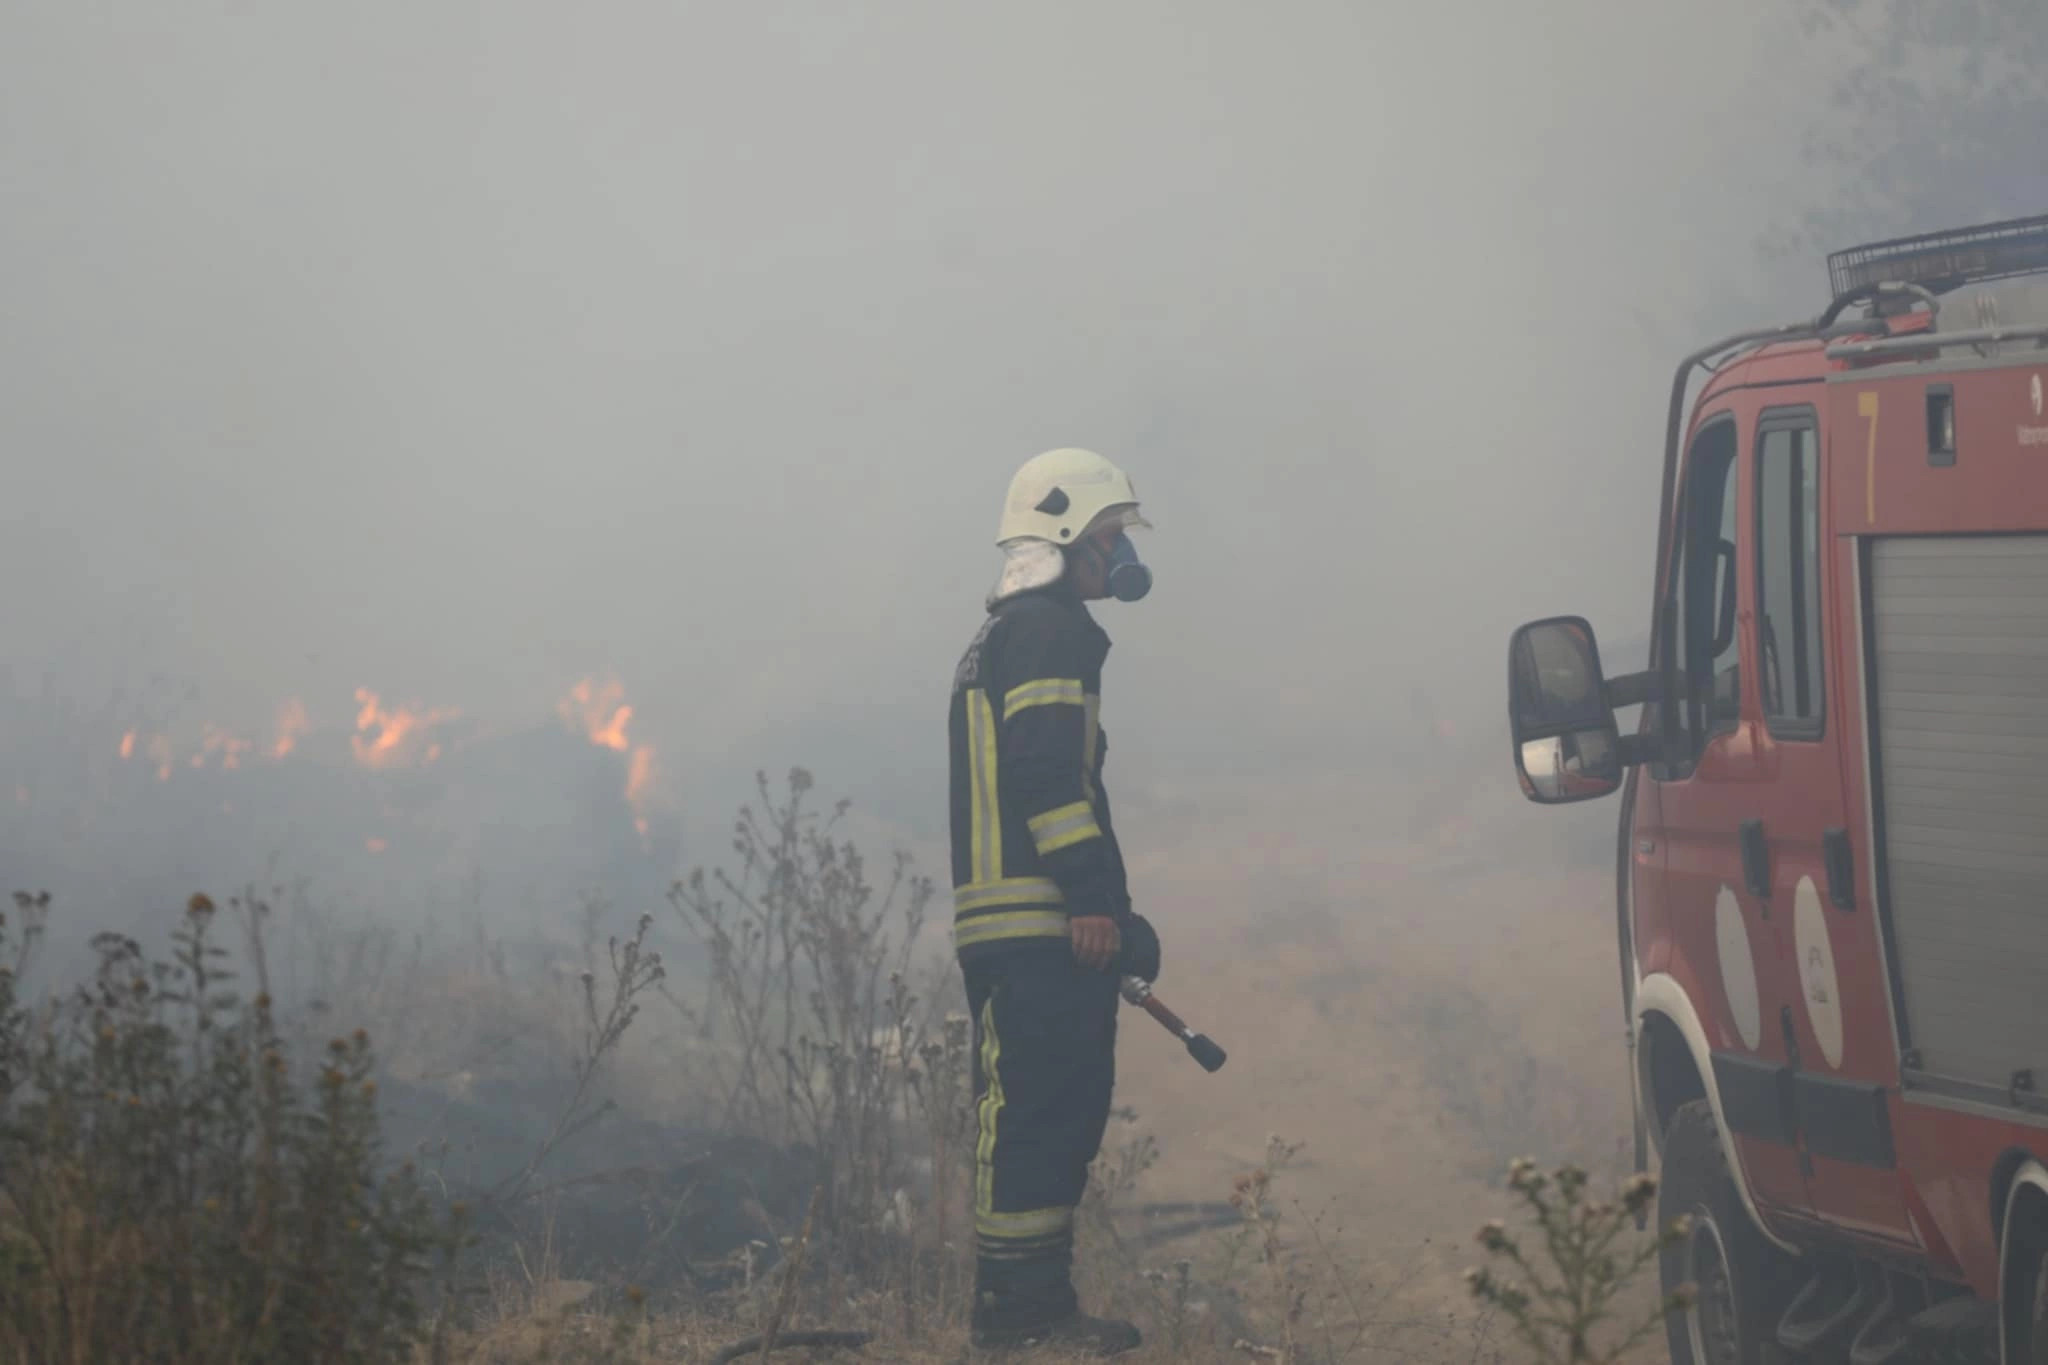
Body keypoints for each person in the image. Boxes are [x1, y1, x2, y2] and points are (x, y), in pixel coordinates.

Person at [946, 447, 1163, 1357]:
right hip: (1036, 926)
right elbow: (1045, 775)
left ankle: (1042, 1311)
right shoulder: (1045, 631)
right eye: (1110, 537)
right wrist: (1088, 899)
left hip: (1039, 925)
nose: (1120, 556)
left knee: (1061, 1109)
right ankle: (1015, 1322)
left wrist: (1119, 908)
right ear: (1066, 536)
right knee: (1037, 1114)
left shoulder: (1025, 630)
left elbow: (1062, 779)